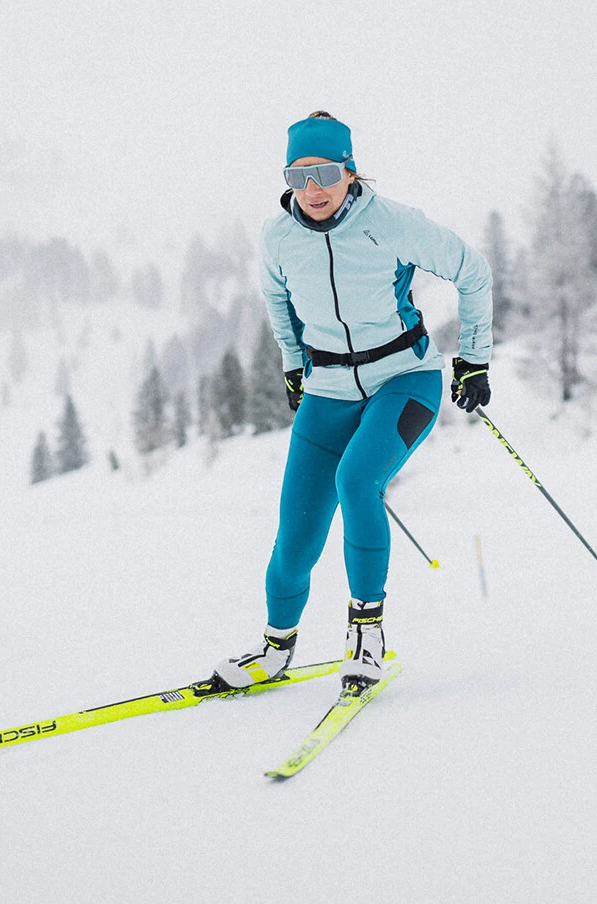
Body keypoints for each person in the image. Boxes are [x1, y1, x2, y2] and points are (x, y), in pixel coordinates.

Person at [200, 111, 492, 694]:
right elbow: (277, 301)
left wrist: (475, 357)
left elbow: (473, 272)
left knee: (357, 482)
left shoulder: (392, 224)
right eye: (298, 176)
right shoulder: (278, 238)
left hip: (404, 378)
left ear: (351, 171)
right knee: (296, 532)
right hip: (328, 390)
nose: (313, 189)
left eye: (326, 173)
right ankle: (275, 648)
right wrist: (293, 362)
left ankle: (367, 635)